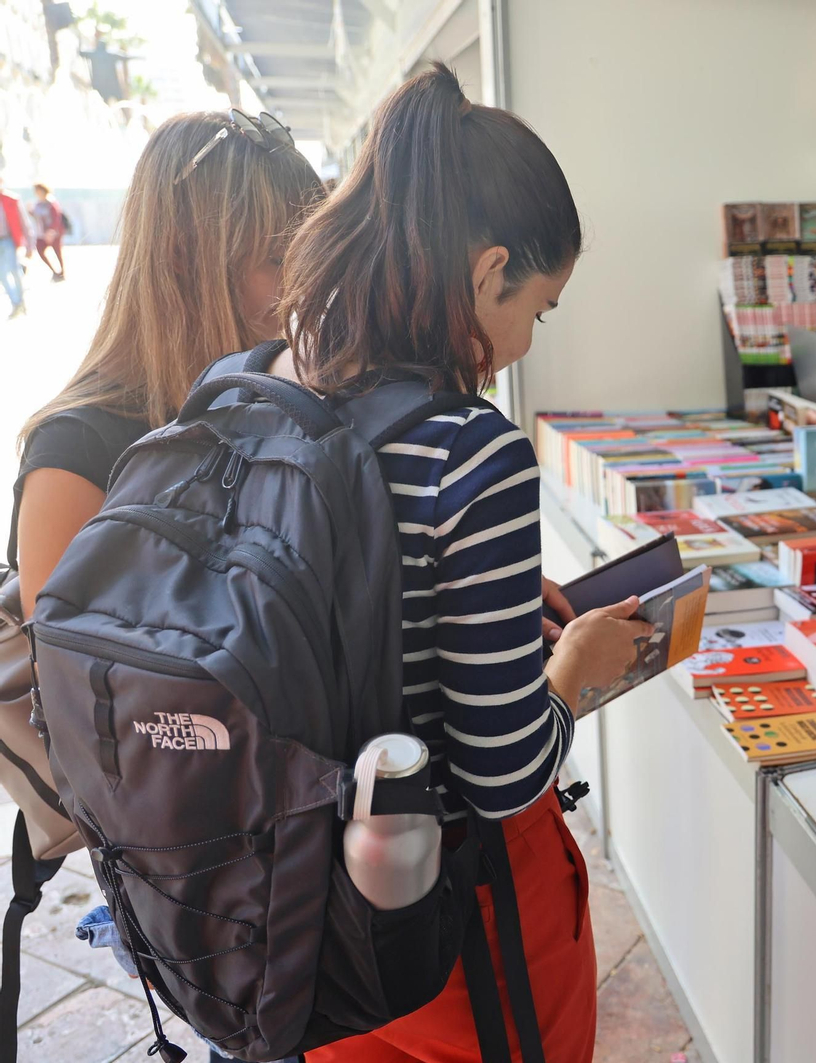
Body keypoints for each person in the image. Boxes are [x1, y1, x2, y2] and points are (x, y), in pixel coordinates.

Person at [268, 64, 653, 1063]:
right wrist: (574, 673)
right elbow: (503, 767)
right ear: (488, 274)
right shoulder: (469, 449)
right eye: (541, 307)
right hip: (446, 919)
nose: (524, 340)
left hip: (301, 899)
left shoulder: (276, 384)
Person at [12, 112, 323, 1063]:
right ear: (194, 260)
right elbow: (86, 720)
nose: (305, 289)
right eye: (282, 259)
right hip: (206, 885)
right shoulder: (79, 448)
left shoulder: (280, 400)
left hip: (311, 841)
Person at [0, 188, 28, 317]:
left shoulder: (11, 199)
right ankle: (15, 303)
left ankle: (21, 301)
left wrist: (29, 244)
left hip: (9, 240)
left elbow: (24, 222)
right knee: (2, 274)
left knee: (15, 271)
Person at [29, 183, 65, 281]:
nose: (37, 193)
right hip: (41, 233)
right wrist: (30, 212)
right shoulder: (37, 204)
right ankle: (54, 271)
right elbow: (36, 217)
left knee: (57, 251)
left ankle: (62, 272)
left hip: (53, 233)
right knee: (40, 250)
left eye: (39, 190)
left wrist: (51, 231)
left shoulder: (51, 203)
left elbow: (56, 218)